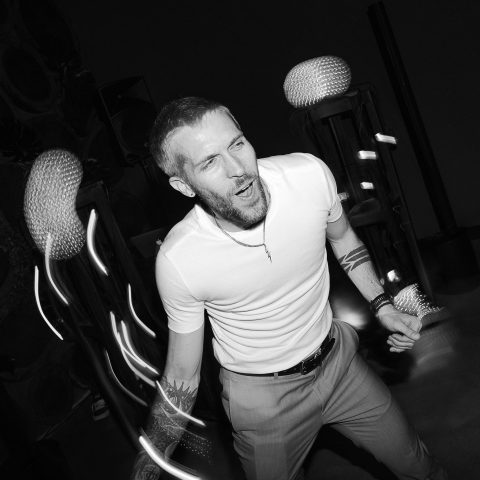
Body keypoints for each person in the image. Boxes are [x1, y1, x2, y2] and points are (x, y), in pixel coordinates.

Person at [130, 97, 446, 480]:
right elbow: (182, 374)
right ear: (184, 185)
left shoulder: (308, 176)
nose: (238, 169)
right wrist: (151, 462)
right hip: (263, 403)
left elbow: (343, 238)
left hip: (340, 363)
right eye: (210, 162)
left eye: (237, 144)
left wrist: (383, 305)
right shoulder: (181, 259)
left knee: (420, 466)